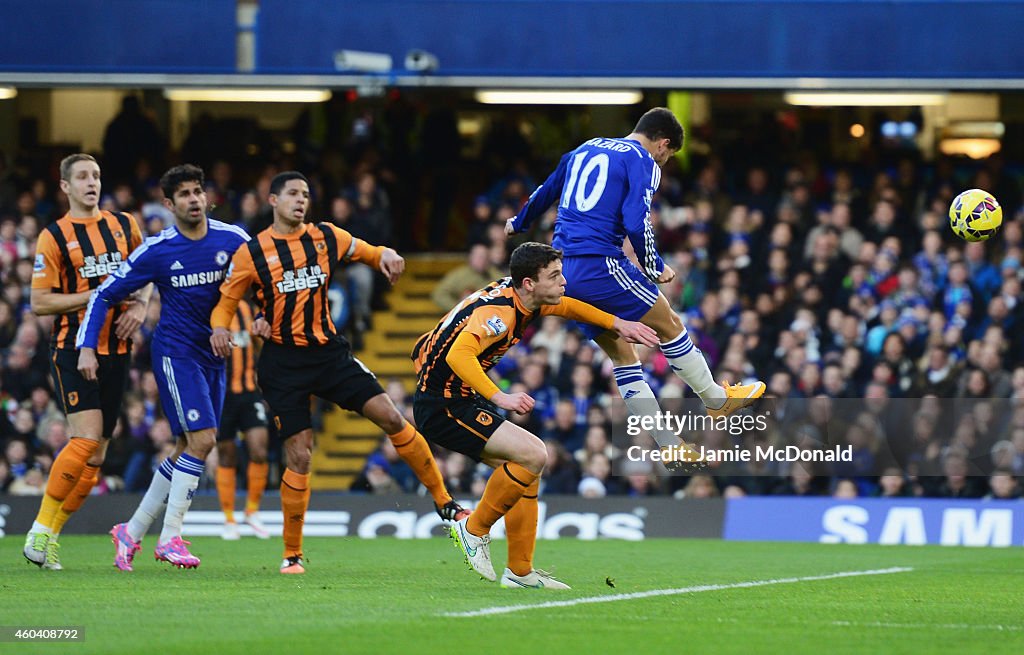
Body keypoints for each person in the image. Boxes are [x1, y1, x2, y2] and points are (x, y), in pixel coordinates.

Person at [210, 171, 465, 575]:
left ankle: (444, 501)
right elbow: (227, 301)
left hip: (329, 354)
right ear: (273, 200)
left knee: (391, 416)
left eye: (306, 194)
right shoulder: (253, 252)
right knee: (301, 455)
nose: (301, 200)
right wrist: (222, 327)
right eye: (293, 193)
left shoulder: (326, 236)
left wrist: (386, 254)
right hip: (283, 363)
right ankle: (292, 555)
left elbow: (368, 250)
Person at [507, 108, 765, 466]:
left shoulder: (584, 148)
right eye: (669, 155)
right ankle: (714, 399)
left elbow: (547, 189)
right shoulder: (642, 160)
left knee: (622, 358)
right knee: (669, 324)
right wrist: (654, 265)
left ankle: (667, 443)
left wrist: (519, 222)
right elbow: (635, 218)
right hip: (599, 262)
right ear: (662, 144)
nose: (665, 161)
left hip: (563, 271)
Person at [412, 242, 659, 588]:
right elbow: (459, 354)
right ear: (529, 283)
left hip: (459, 399)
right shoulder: (501, 315)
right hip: (444, 407)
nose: (563, 282)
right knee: (534, 454)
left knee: (528, 468)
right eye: (555, 276)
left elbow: (569, 308)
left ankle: (520, 572)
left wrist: (617, 324)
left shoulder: (523, 299)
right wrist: (502, 397)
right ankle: (473, 529)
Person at [81, 164, 249, 571]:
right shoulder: (157, 250)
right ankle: (171, 537)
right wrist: (86, 347)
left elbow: (263, 278)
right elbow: (104, 294)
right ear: (170, 204)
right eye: (185, 195)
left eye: (198, 191)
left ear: (206, 196)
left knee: (185, 447)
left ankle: (132, 530)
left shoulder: (235, 238)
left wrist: (259, 318)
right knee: (204, 440)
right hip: (177, 354)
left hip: (215, 357)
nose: (194, 199)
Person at [24, 154, 148, 570]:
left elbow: (146, 272)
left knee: (95, 459)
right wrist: (97, 297)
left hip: (118, 351)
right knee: (86, 439)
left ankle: (52, 537)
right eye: (82, 177)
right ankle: (39, 528)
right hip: (74, 347)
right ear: (65, 187)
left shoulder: (124, 225)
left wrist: (142, 306)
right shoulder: (53, 237)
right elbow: (40, 302)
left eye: (96, 175)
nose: (91, 182)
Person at [215, 299, 271, 540]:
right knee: (227, 454)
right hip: (221, 393)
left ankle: (252, 511)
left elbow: (260, 345)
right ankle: (229, 518)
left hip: (249, 393)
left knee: (259, 449)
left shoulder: (249, 310)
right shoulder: (213, 310)